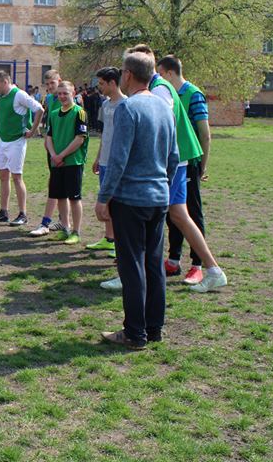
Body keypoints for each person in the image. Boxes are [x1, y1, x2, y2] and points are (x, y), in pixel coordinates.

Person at [106, 44, 226, 293]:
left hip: (173, 162)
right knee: (174, 215)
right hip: (175, 161)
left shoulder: (159, 89)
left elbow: (162, 124)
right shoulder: (160, 86)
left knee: (170, 214)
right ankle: (206, 269)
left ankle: (136, 272)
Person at [96, 50, 180, 349]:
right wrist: (163, 186)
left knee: (131, 266)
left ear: (128, 75)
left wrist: (104, 197)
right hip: (158, 197)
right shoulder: (164, 107)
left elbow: (117, 161)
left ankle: (134, 332)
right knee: (154, 264)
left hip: (130, 199)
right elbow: (174, 157)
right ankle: (154, 327)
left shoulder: (128, 109)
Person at [157, 55, 210, 283]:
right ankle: (174, 259)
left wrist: (201, 166)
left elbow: (205, 134)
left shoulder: (193, 94)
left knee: (191, 211)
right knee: (173, 212)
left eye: (160, 74)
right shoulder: (168, 94)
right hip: (172, 161)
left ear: (169, 73)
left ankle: (197, 264)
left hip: (189, 160)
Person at [0, 70, 44, 226]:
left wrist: (32, 131)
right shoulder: (2, 95)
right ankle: (4, 212)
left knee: (16, 177)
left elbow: (39, 109)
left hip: (17, 142)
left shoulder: (19, 94)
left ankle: (23, 214)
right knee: (3, 176)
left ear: (5, 82)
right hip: (3, 140)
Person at [43, 81, 89, 244]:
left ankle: (76, 231)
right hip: (57, 162)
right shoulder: (54, 114)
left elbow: (79, 139)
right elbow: (48, 137)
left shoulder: (79, 112)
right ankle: (65, 227)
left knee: (74, 198)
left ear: (73, 93)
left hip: (72, 162)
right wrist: (54, 155)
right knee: (60, 196)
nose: (62, 96)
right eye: (59, 94)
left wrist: (61, 155)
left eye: (65, 93)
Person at [86, 67, 126, 256]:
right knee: (106, 199)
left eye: (101, 83)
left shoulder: (126, 104)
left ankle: (120, 243)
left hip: (118, 163)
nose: (99, 87)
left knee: (117, 202)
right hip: (104, 161)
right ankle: (109, 239)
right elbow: (105, 134)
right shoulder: (105, 105)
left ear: (112, 83)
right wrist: (98, 157)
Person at [30, 69, 70, 236]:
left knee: (56, 186)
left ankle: (47, 223)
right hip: (52, 149)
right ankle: (63, 221)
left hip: (63, 150)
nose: (49, 87)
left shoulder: (67, 101)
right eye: (47, 85)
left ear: (59, 80)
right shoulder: (51, 99)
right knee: (57, 186)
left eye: (52, 83)